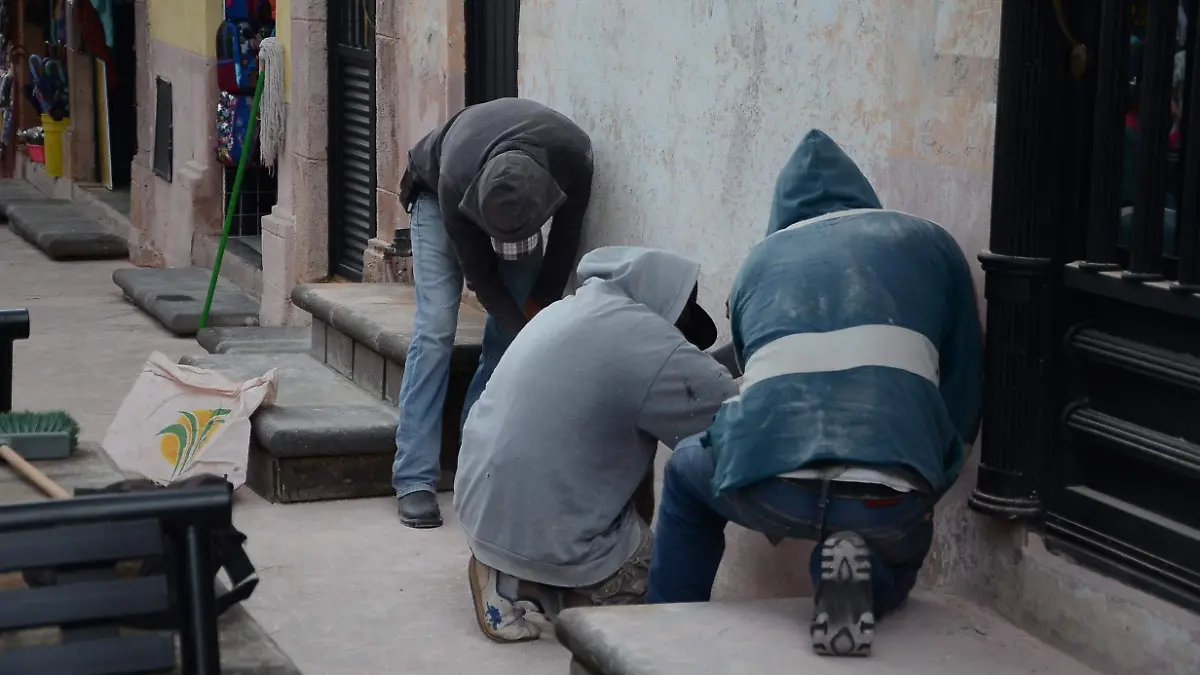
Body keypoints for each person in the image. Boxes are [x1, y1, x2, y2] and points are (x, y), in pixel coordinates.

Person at [645, 129, 983, 657]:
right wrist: (923, 487)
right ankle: (864, 578)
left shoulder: (758, 264)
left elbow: (754, 365)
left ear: (782, 217)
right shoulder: (931, 242)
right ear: (866, 201)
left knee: (688, 473)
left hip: (767, 486)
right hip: (886, 497)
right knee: (897, 544)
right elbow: (963, 398)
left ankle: (662, 632)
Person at [453, 246, 738, 642]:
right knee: (651, 590)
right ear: (666, 311)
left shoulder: (566, 310)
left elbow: (681, 378)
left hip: (483, 509)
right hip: (543, 527)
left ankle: (506, 576)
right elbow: (729, 411)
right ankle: (553, 584)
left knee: (627, 429)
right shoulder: (650, 342)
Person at [392, 98, 594, 528]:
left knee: (508, 342)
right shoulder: (454, 177)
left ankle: (478, 464)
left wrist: (537, 315)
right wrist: (522, 325)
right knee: (435, 331)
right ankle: (414, 479)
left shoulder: (574, 155)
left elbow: (564, 241)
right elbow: (482, 278)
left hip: (506, 190)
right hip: (434, 196)